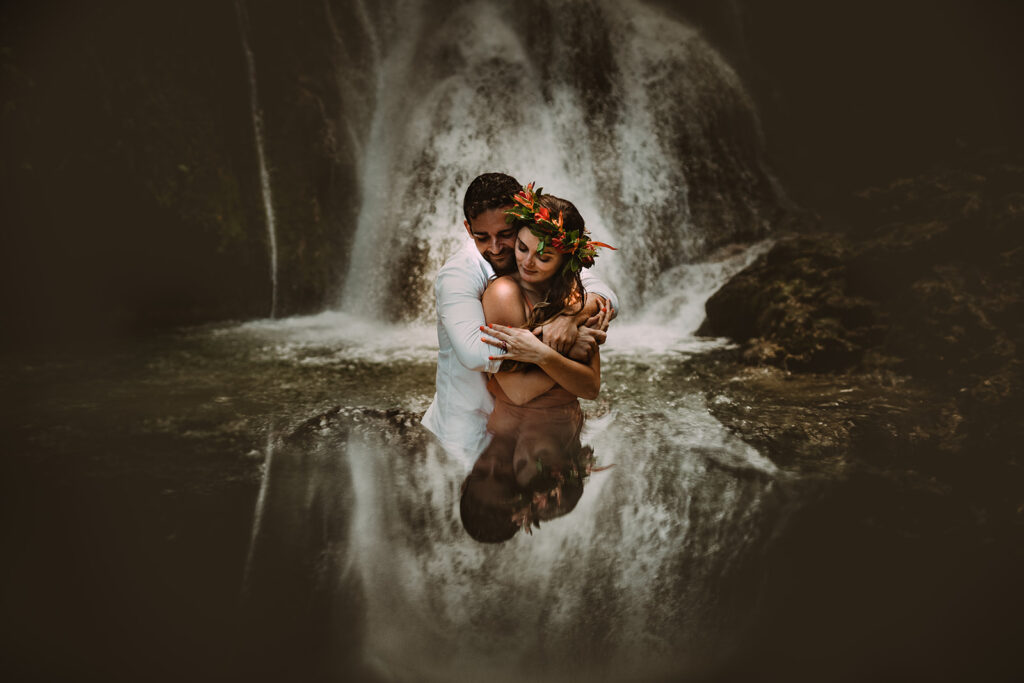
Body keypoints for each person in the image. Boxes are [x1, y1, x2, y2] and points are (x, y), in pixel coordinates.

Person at [421, 173, 619, 467]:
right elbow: (475, 353)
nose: (497, 247)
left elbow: (603, 294)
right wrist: (564, 345)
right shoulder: (459, 275)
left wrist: (571, 317)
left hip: (534, 435)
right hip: (466, 429)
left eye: (505, 234)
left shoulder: (532, 253)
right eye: (482, 237)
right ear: (468, 229)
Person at [461, 185, 614, 540]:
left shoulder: (574, 297)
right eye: (522, 248)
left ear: (564, 262)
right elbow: (516, 391)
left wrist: (543, 353)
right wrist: (565, 353)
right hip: (514, 428)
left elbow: (590, 388)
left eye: (543, 257)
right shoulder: (502, 294)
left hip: (565, 428)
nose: (527, 262)